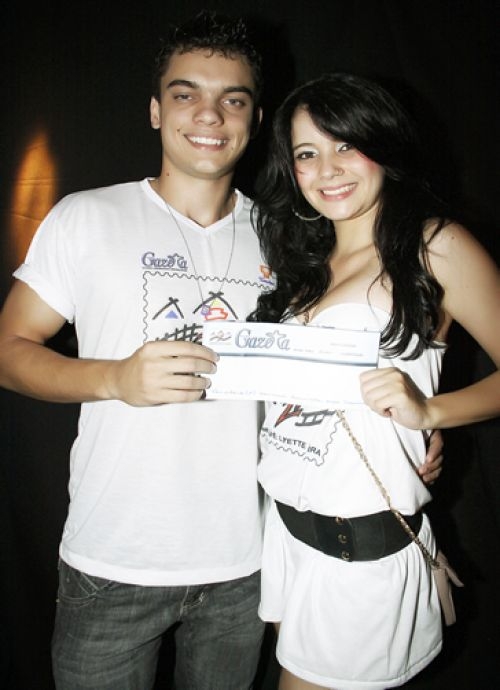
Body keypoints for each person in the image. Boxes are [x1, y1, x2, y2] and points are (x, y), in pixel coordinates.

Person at [0, 14, 443, 690]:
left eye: (232, 99)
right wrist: (114, 378)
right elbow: (9, 351)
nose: (209, 115)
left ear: (256, 120)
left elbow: (367, 338)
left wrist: (420, 423)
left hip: (250, 562)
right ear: (156, 110)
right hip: (112, 562)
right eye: (185, 94)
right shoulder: (85, 217)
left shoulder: (292, 238)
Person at [248, 72, 500, 690]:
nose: (327, 169)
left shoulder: (434, 245)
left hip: (356, 554)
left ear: (381, 144)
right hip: (286, 534)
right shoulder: (305, 261)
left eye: (345, 145)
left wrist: (431, 414)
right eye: (307, 153)